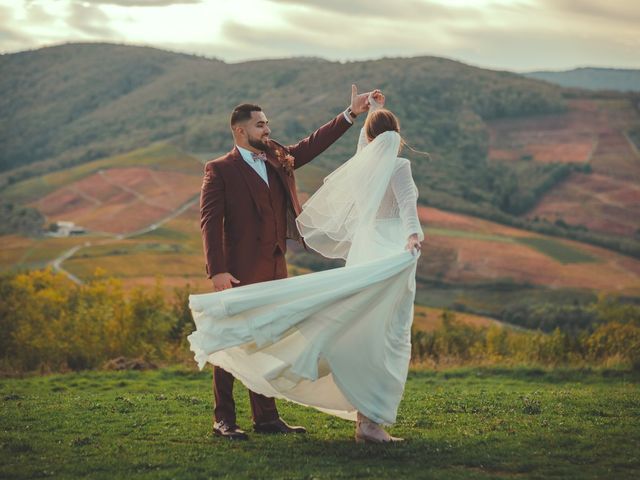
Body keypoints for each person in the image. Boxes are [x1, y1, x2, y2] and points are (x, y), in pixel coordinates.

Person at [189, 92, 423, 443]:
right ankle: (224, 419)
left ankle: (266, 417)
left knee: (269, 336)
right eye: (260, 124)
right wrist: (217, 269)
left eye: (267, 123)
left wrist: (351, 114)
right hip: (237, 269)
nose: (268, 129)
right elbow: (209, 220)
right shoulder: (219, 169)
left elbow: (312, 145)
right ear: (240, 131)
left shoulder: (277, 157)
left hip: (275, 265)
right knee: (230, 336)